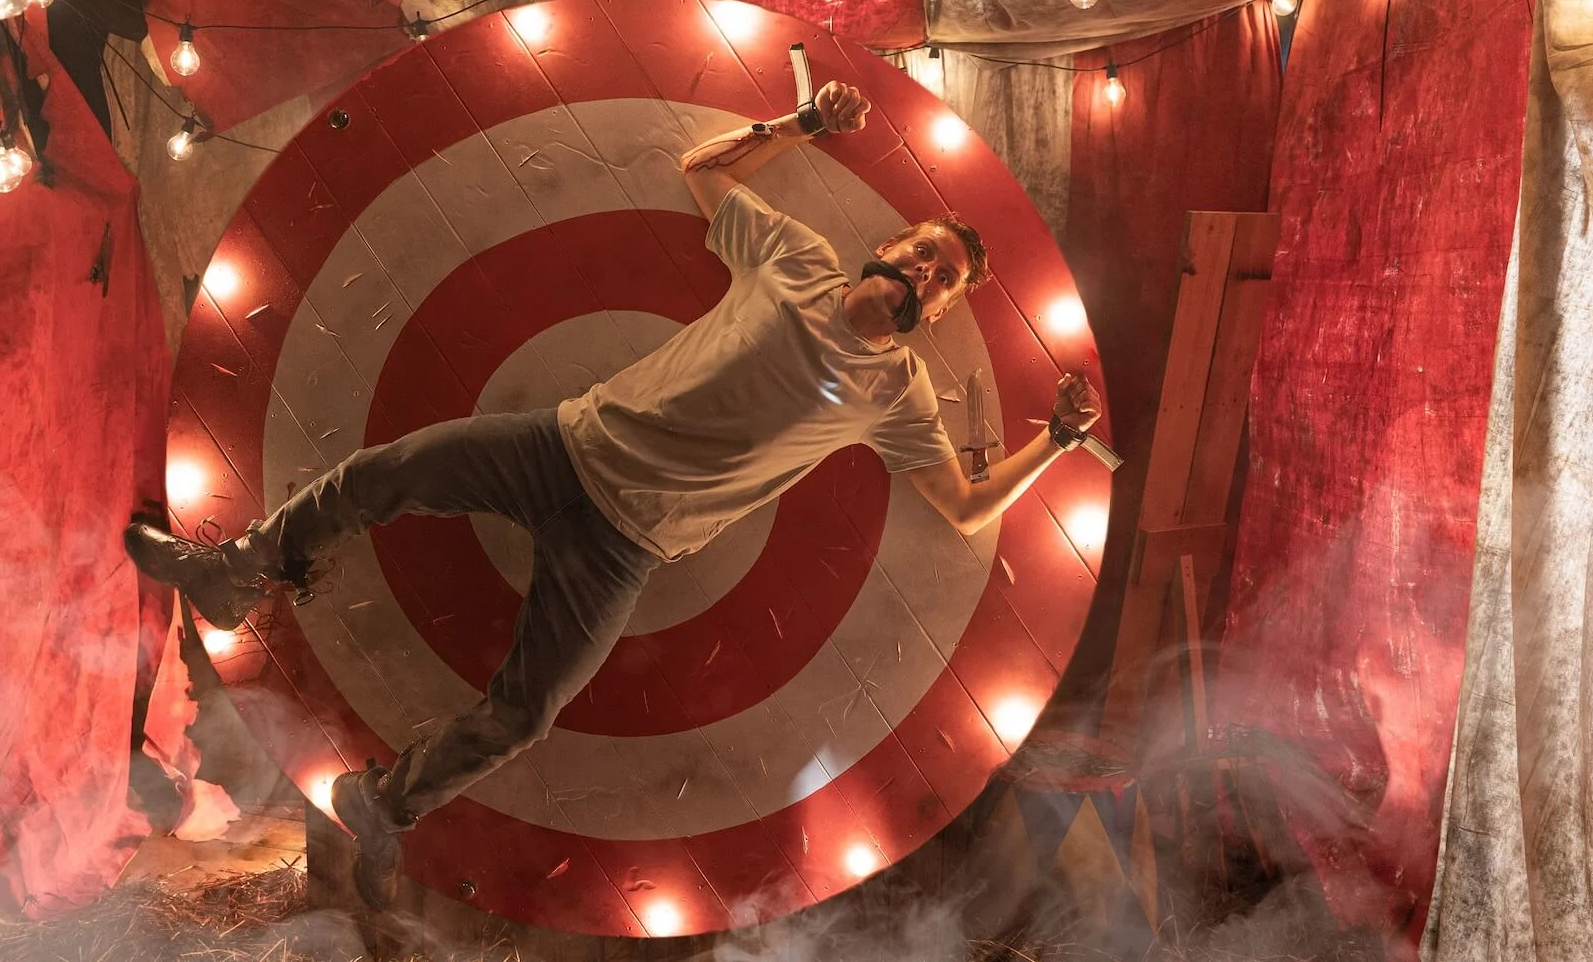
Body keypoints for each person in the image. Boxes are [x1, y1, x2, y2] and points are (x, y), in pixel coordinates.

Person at [124, 79, 1102, 910]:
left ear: (939, 306)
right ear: (895, 246)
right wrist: (797, 127)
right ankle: (236, 571)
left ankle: (387, 804)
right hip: (564, 443)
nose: (930, 268)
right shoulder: (796, 259)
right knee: (380, 473)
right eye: (928, 247)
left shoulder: (900, 391)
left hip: (627, 543)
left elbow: (967, 506)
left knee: (524, 714)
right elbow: (704, 172)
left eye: (948, 275)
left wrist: (1056, 442)